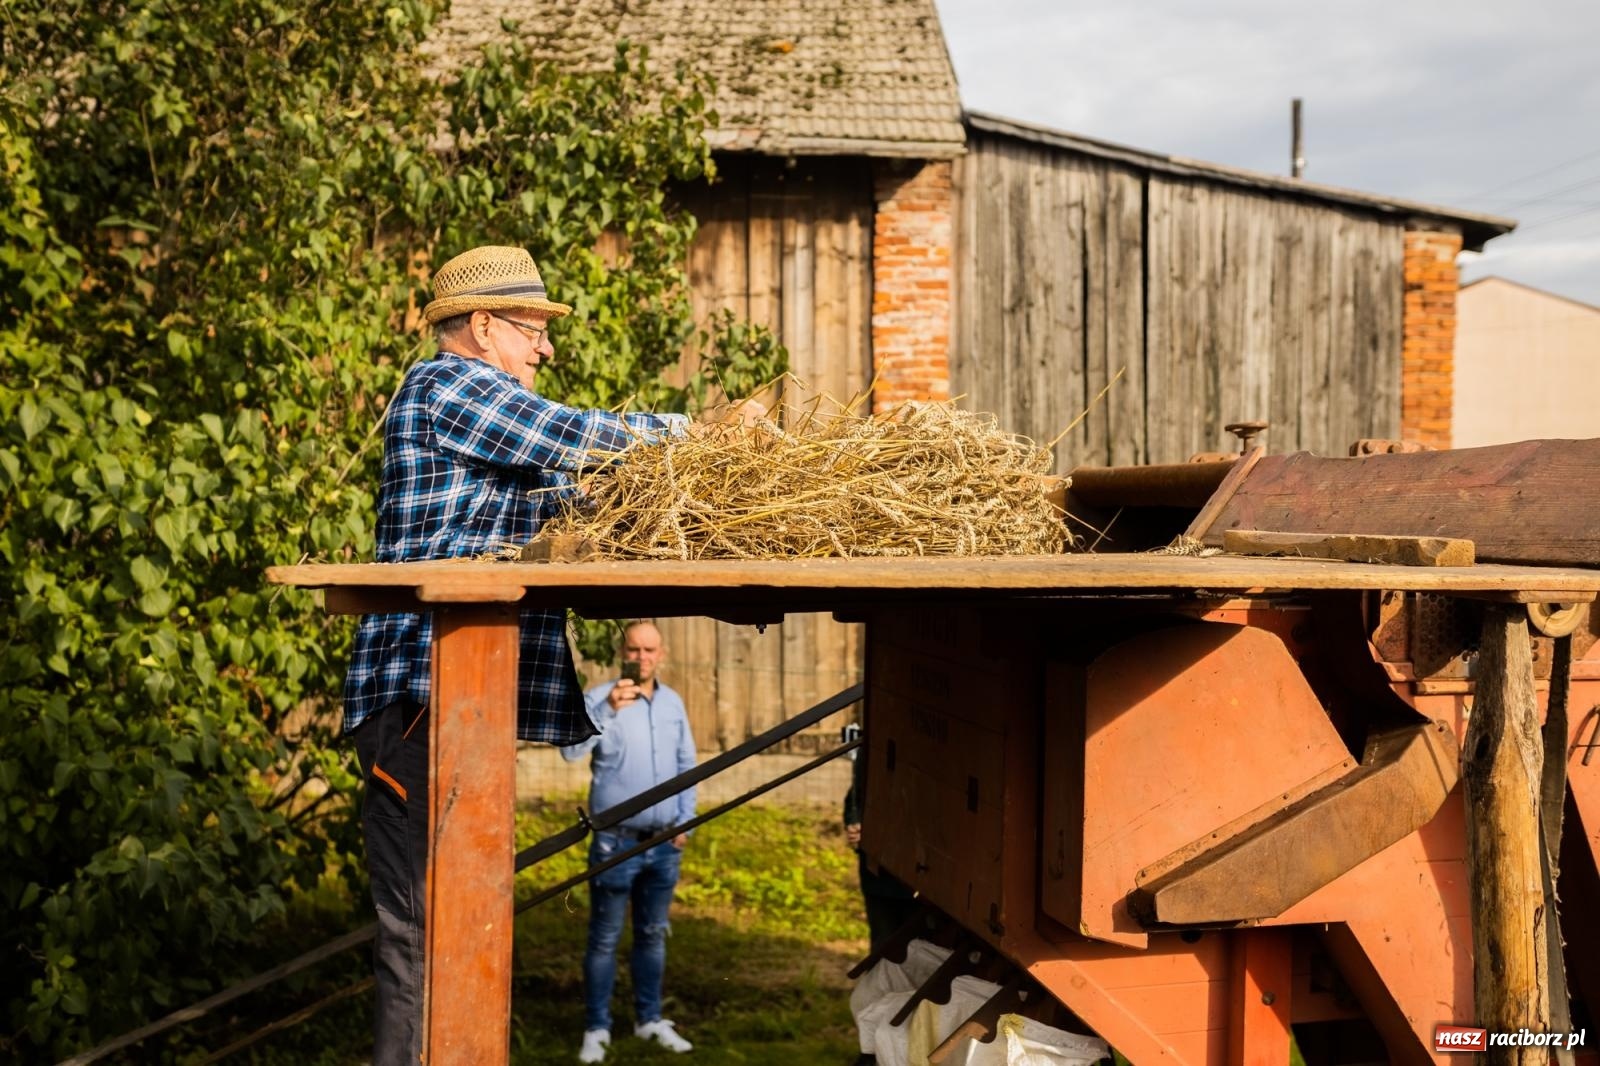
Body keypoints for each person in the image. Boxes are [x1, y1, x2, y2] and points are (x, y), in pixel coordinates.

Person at [343, 246, 746, 1066]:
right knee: (424, 937)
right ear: (483, 327)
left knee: (458, 928)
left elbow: (570, 495)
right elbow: (573, 437)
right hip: (419, 705)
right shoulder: (445, 386)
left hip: (453, 708)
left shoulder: (484, 437)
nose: (546, 348)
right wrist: (697, 438)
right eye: (533, 330)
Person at [561, 620, 698, 1062]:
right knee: (604, 938)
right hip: (614, 844)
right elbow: (569, 751)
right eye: (634, 650)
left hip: (663, 845)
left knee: (653, 936)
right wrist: (606, 713)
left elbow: (687, 767)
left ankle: (649, 1020)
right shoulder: (599, 700)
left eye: (650, 650)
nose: (642, 658)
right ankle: (597, 1029)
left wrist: (684, 823)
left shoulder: (674, 704)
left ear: (662, 655)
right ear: (622, 652)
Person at [843, 724, 919, 954]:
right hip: (878, 875)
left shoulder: (922, 768)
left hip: (917, 881)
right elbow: (854, 798)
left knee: (919, 949)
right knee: (884, 947)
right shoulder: (870, 754)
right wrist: (854, 824)